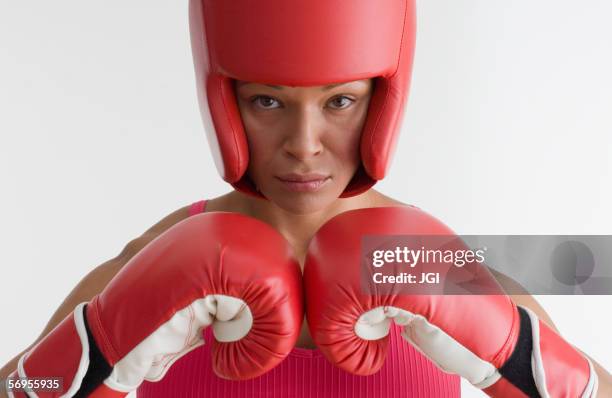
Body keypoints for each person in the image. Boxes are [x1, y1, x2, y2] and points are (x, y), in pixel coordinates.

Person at [2, 0, 611, 397]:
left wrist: (514, 357)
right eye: (267, 101)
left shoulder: (429, 259)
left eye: (339, 102)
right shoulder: (156, 255)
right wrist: (100, 348)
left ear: (381, 102)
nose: (304, 145)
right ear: (225, 100)